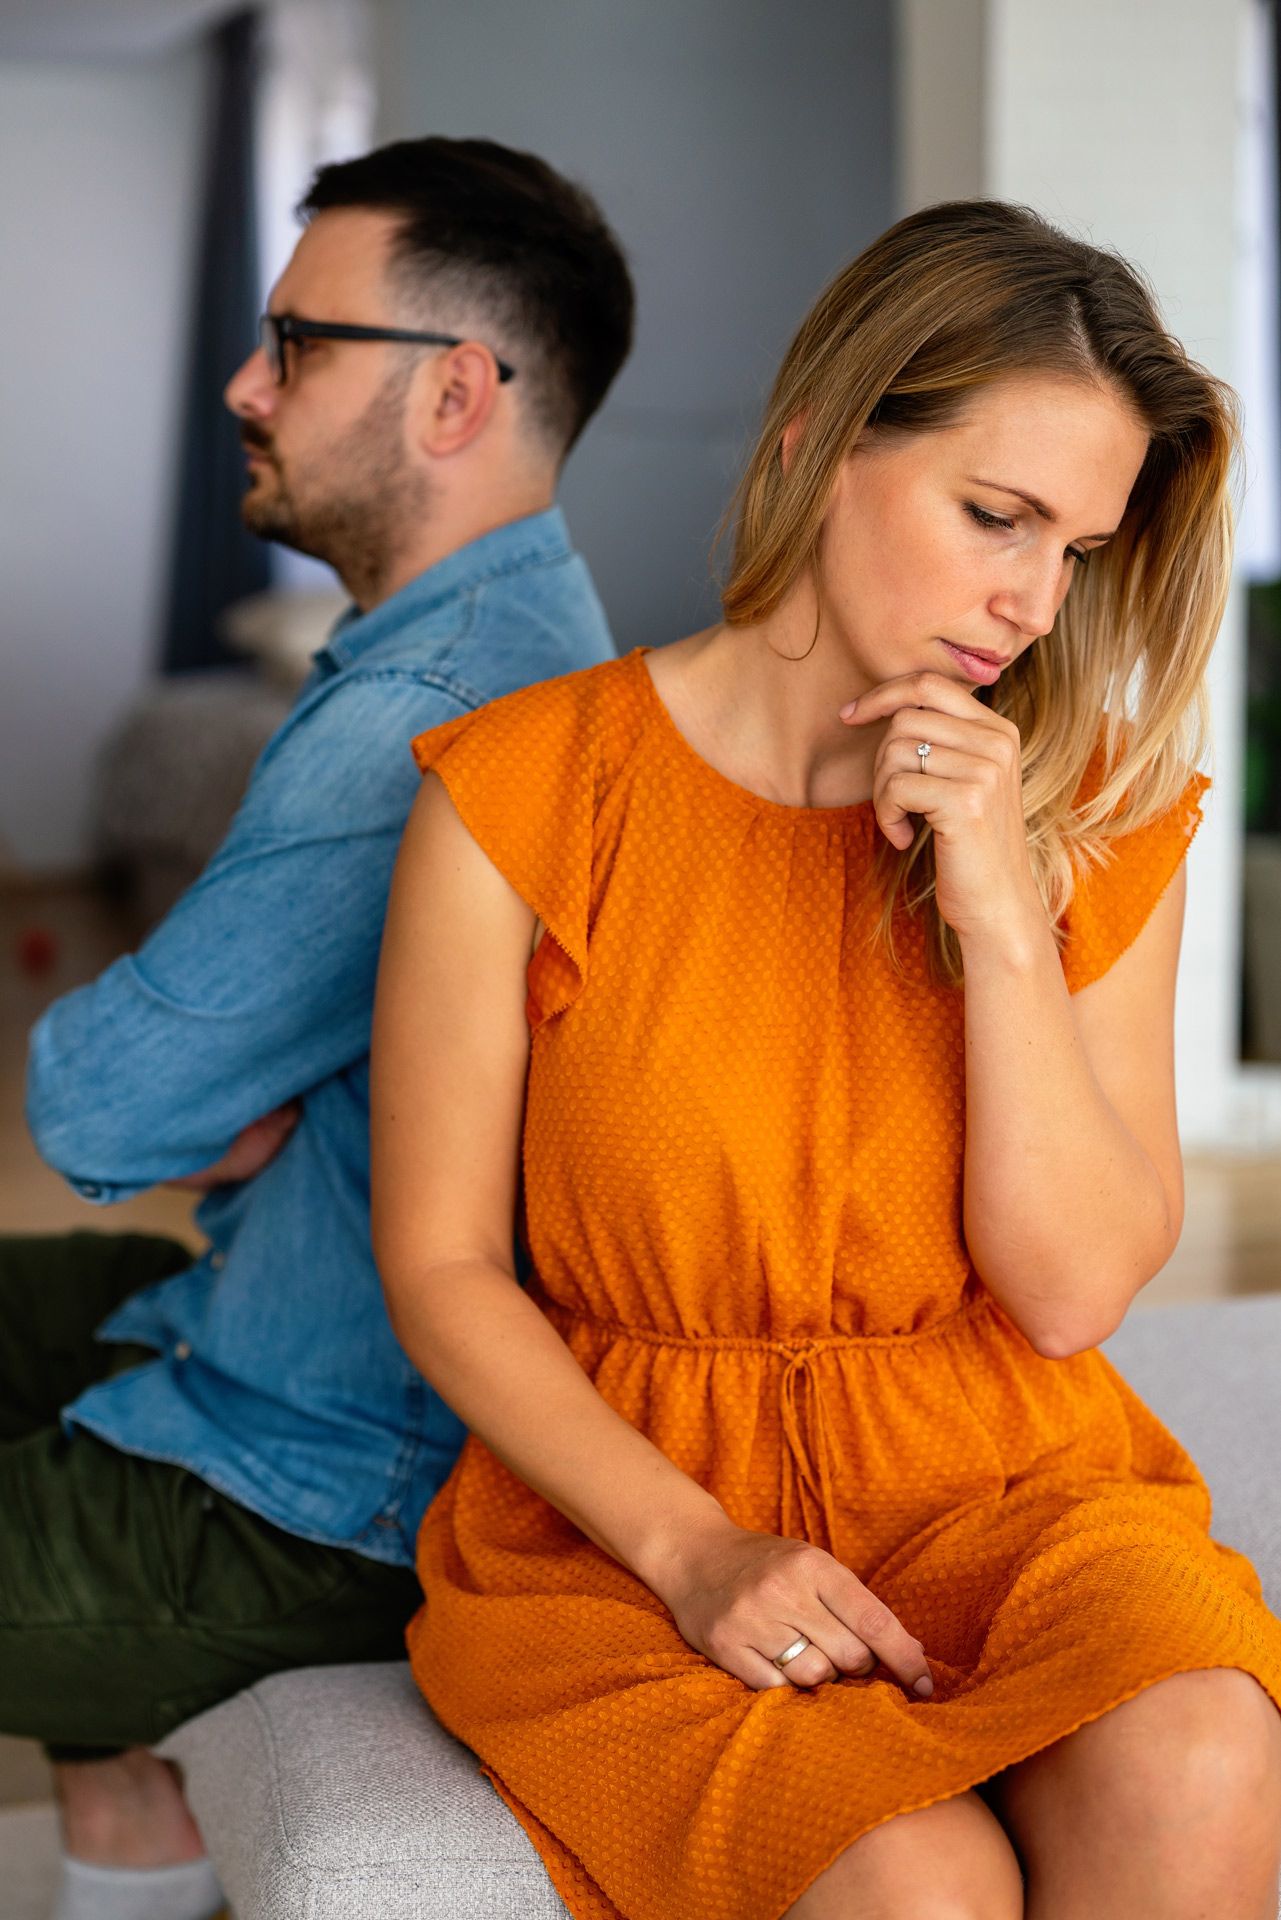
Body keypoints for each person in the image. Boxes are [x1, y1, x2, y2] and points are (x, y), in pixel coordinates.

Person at [371, 199, 1281, 1920]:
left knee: (1204, 1750)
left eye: (1076, 549)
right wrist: (691, 1547)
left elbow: (1075, 1294)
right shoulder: (521, 791)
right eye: (993, 515)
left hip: (1005, 1484)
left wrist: (1004, 912)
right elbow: (436, 1264)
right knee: (908, 1881)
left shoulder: (1091, 811)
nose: (1029, 598)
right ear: (816, 440)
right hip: (637, 1524)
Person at [10, 135, 633, 1920]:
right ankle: (137, 1834)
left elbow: (98, 1103)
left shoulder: (426, 718)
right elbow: (154, 1107)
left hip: (308, 1484)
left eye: (294, 342)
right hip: (243, 1323)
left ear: (453, 393)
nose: (243, 383)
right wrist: (230, 1089)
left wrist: (209, 1087)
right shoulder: (493, 641)